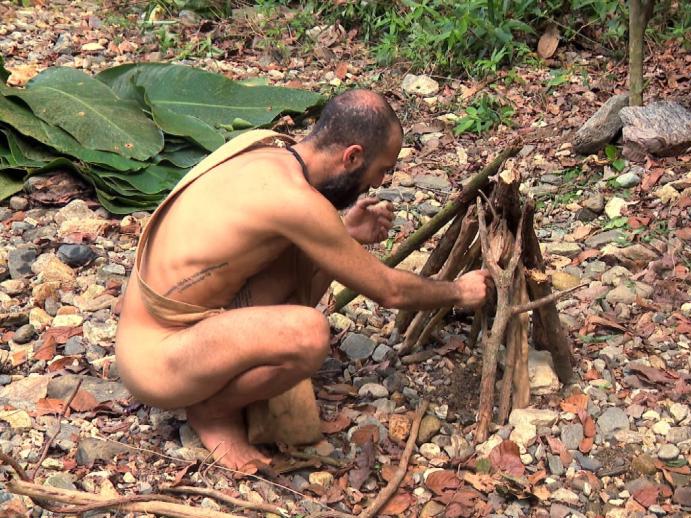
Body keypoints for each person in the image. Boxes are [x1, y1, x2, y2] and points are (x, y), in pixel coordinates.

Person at [114, 89, 491, 470]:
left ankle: (213, 385)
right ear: (353, 156)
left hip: (170, 326)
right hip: (155, 357)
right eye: (383, 169)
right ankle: (212, 411)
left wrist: (346, 235)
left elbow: (311, 253)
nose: (379, 183)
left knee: (303, 260)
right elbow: (389, 290)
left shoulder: (271, 152)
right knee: (309, 333)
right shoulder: (295, 200)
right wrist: (459, 291)